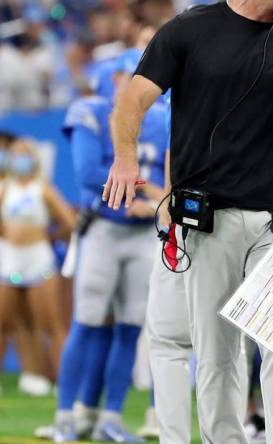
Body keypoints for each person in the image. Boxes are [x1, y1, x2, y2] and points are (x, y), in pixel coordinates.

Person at [104, 0, 273, 440]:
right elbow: (135, 95)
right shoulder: (188, 29)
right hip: (207, 221)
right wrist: (125, 157)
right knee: (217, 352)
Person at [53, 49, 169, 443]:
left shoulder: (164, 116)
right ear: (111, 77)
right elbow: (87, 174)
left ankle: (111, 417)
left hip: (142, 234)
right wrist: (132, 200)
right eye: (126, 75)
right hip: (103, 228)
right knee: (85, 321)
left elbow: (177, 174)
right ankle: (65, 415)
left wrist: (153, 203)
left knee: (130, 327)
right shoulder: (92, 110)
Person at [0, 139, 74, 395]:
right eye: (16, 154)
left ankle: (65, 383)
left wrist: (49, 238)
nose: (21, 159)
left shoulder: (43, 189)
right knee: (2, 324)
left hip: (39, 261)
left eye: (26, 154)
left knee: (51, 326)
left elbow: (68, 222)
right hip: (10, 260)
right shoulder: (4, 188)